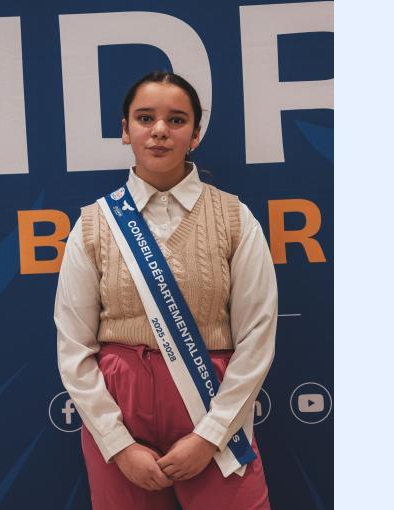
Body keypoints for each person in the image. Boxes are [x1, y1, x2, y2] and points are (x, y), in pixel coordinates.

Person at [54, 71, 278, 509]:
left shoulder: (235, 219)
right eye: (145, 118)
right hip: (118, 407)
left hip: (212, 402)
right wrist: (118, 443)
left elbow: (258, 334)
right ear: (125, 130)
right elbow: (73, 346)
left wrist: (211, 435)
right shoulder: (94, 224)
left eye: (176, 120)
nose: (159, 130)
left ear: (195, 135)